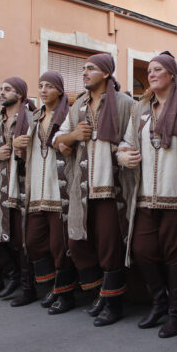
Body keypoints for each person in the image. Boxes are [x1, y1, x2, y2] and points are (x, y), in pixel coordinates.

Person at [118, 52, 177, 339]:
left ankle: (176, 312)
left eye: (158, 69)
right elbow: (126, 142)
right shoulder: (141, 108)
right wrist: (122, 156)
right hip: (146, 196)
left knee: (175, 257)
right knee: (142, 251)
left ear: (172, 74)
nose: (152, 73)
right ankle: (158, 302)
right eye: (150, 70)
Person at [54, 53, 134, 326]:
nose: (85, 73)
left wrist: (121, 153)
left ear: (107, 73)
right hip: (83, 187)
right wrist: (74, 136)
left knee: (110, 247)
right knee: (77, 244)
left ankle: (114, 305)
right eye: (83, 69)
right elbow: (58, 139)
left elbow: (131, 139)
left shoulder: (126, 104)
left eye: (91, 69)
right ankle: (99, 293)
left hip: (112, 188)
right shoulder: (78, 106)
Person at [15, 71, 77, 314]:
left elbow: (73, 145)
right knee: (33, 241)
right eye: (40, 85)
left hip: (58, 188)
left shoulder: (67, 116)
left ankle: (65, 294)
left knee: (59, 245)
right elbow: (26, 150)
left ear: (59, 91)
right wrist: (19, 149)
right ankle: (51, 286)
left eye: (49, 86)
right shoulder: (35, 117)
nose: (43, 90)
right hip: (37, 188)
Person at [0, 77, 36, 301]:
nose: (2, 93)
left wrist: (20, 151)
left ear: (19, 94)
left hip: (22, 185)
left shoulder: (31, 118)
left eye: (7, 89)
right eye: (1, 89)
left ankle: (26, 285)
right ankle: (10, 276)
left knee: (21, 239)